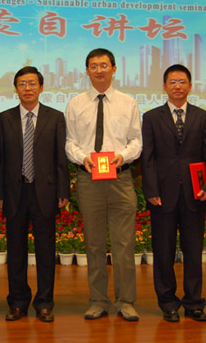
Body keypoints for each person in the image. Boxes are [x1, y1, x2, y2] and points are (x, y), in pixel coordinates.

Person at [64, 48, 142, 322]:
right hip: (89, 178)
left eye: (104, 65)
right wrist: (82, 158)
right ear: (86, 71)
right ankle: (98, 300)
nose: (99, 70)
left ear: (114, 68)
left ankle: (126, 301)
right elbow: (69, 142)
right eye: (93, 66)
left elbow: (136, 141)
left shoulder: (128, 102)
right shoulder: (75, 104)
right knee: (94, 244)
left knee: (124, 243)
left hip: (120, 178)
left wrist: (123, 156)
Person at [141, 63, 206, 323]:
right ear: (164, 86)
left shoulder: (202, 116)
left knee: (193, 252)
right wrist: (150, 190)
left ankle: (194, 303)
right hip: (162, 196)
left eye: (182, 82)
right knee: (163, 252)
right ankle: (168, 303)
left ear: (190, 86)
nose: (177, 86)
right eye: (172, 82)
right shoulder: (151, 117)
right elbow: (148, 159)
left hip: (195, 196)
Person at [0, 66, 70, 323]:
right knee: (15, 251)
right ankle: (17, 302)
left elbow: (61, 159)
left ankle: (45, 303)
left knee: (46, 251)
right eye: (22, 83)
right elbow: (0, 160)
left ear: (41, 87)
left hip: (45, 193)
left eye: (32, 83)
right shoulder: (3, 119)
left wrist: (63, 191)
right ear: (15, 88)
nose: (27, 88)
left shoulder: (55, 117)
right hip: (14, 192)